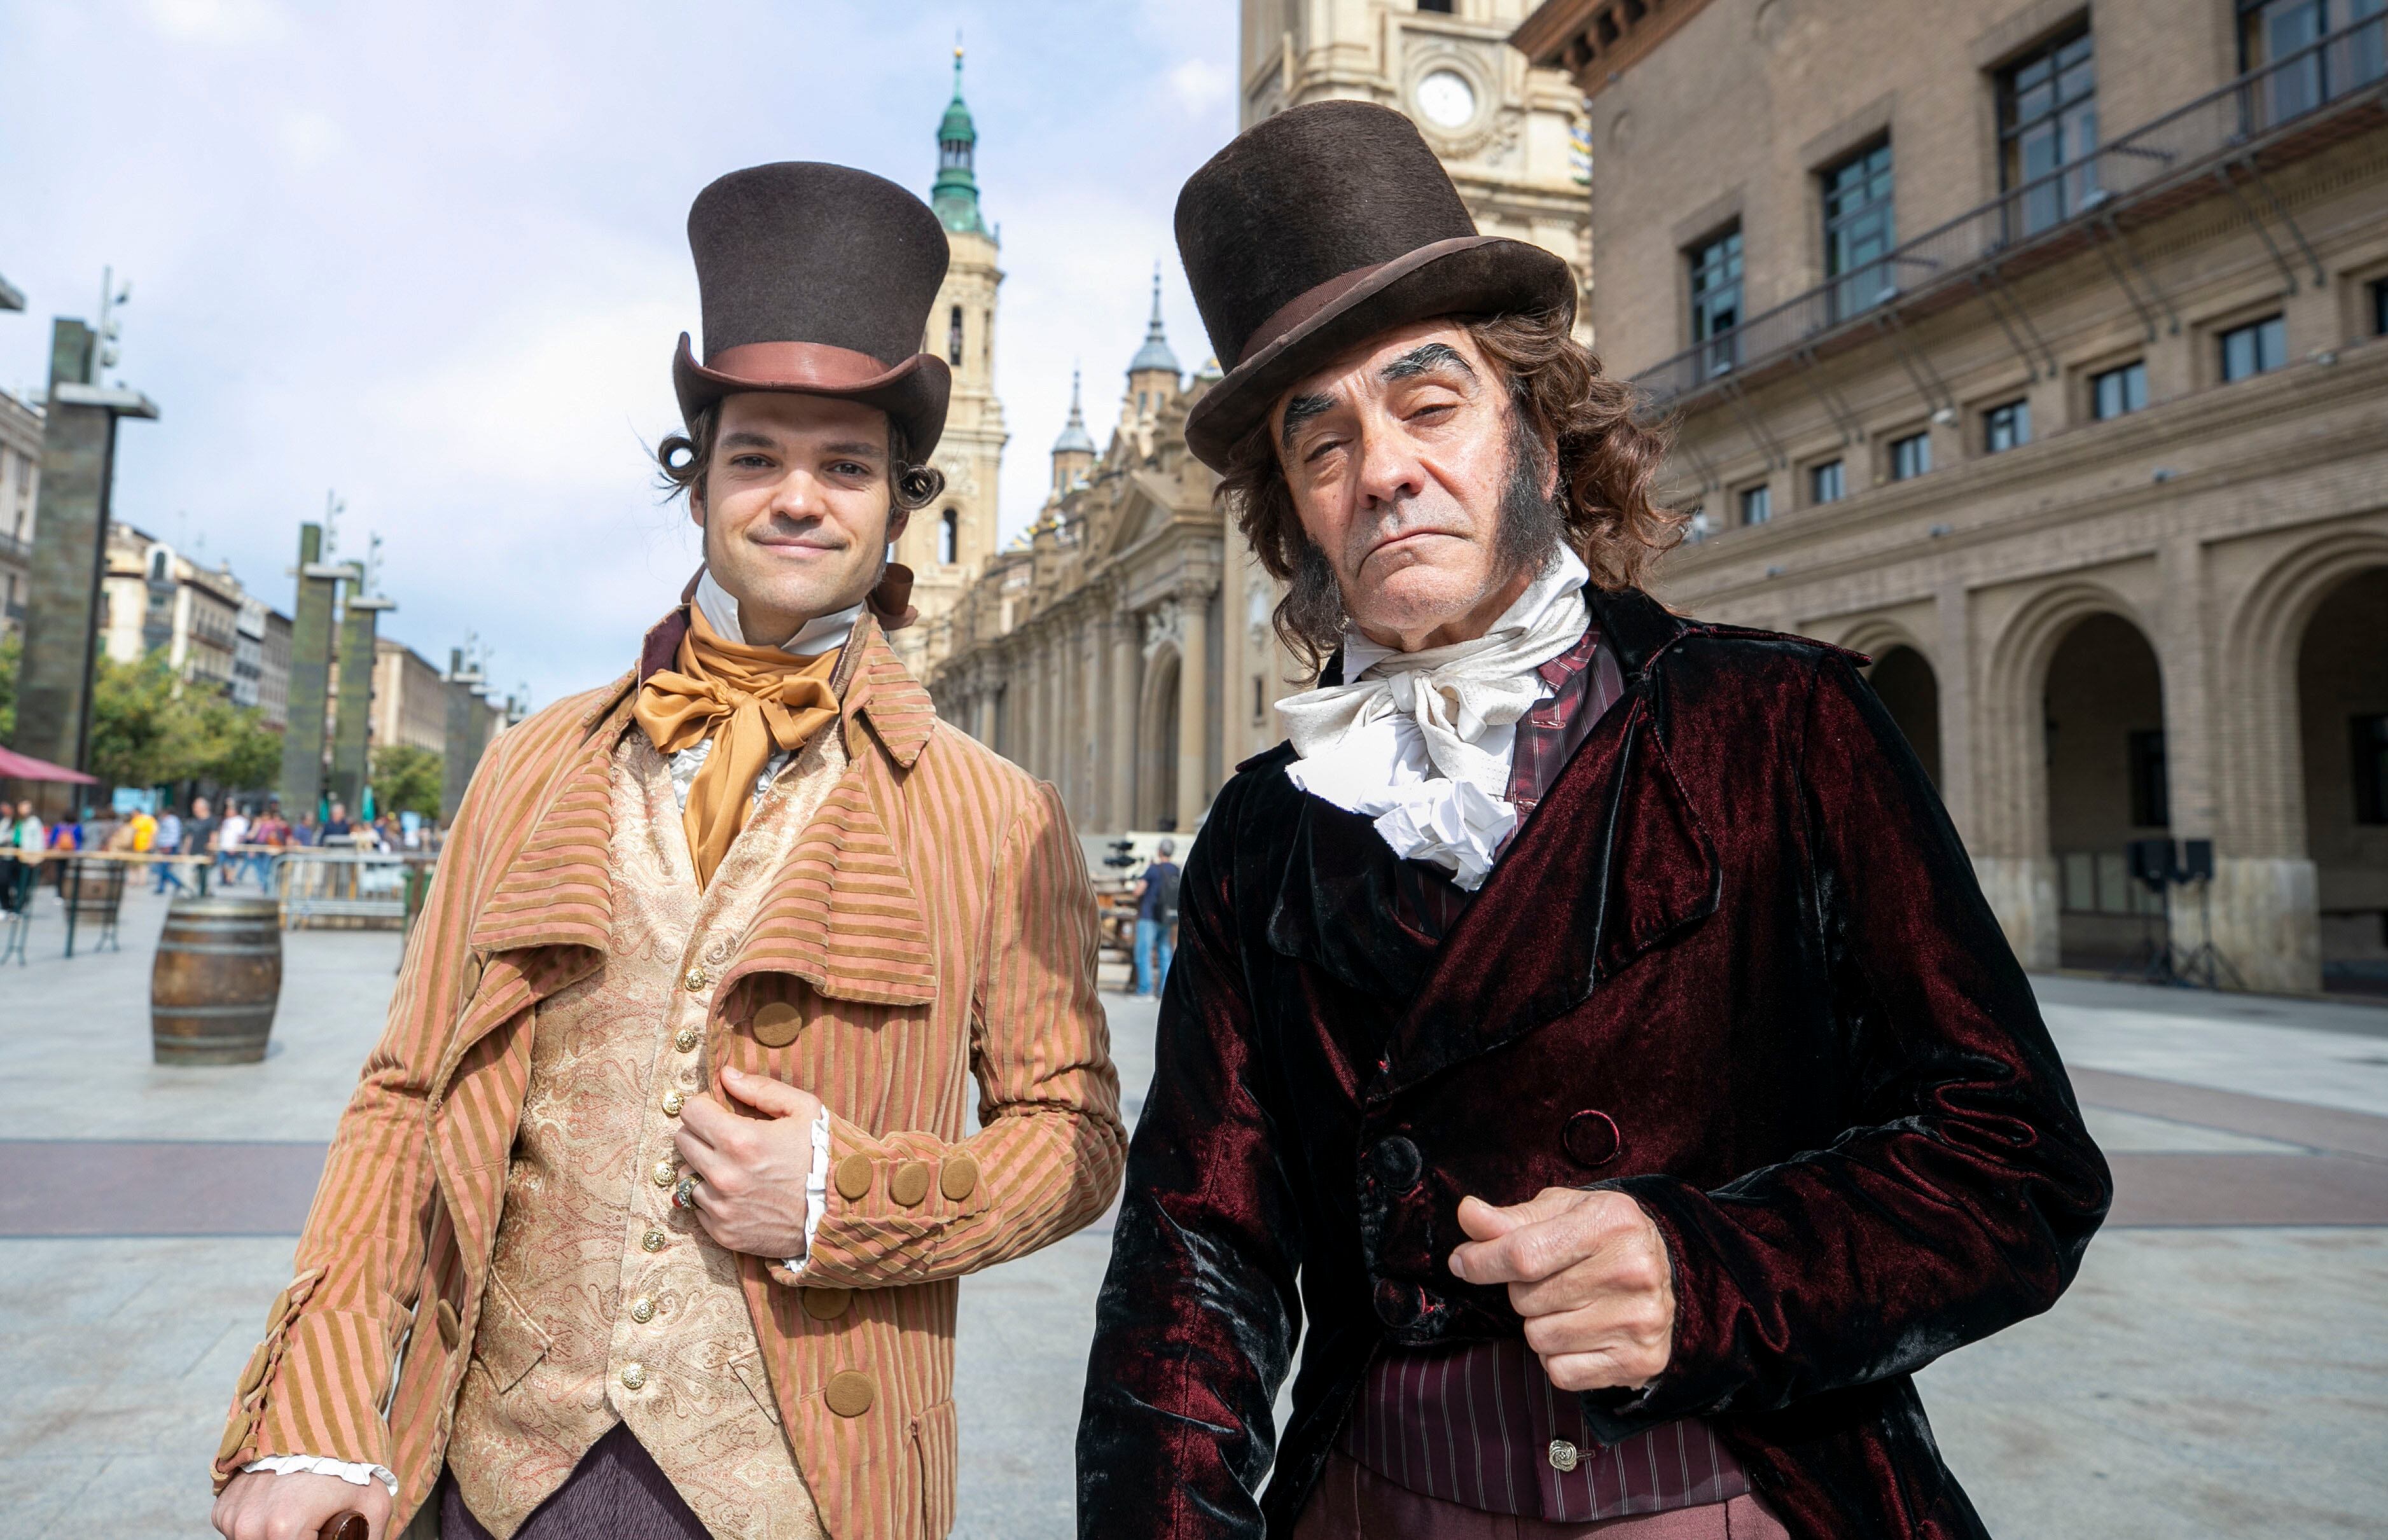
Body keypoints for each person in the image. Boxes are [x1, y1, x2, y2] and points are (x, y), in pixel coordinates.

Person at [1076, 104, 2111, 1540]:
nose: (1381, 470)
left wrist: (1711, 1270)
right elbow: (1196, 1261)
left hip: (1742, 1499)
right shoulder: (1267, 836)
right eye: (1325, 445)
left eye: (1427, 404)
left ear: (1542, 438)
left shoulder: (1778, 727)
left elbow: (2017, 1161)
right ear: (1296, 516)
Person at [212, 160, 1125, 1540]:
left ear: (897, 506)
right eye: (755, 455)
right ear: (696, 486)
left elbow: (1075, 1143)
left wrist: (848, 1197)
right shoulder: (533, 764)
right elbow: (405, 1095)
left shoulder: (996, 812)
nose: (798, 497)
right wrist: (318, 1416)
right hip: (495, 1476)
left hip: (810, 1490)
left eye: (846, 466)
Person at [1132, 838, 1180, 997]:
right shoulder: (1175, 870)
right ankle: (1164, 990)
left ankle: (1145, 989)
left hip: (1149, 916)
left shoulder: (1153, 869)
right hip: (1166, 917)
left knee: (1143, 953)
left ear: (1160, 851)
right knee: (1164, 952)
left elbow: (1138, 891)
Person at [152, 804, 186, 893]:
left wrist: (168, 846)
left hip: (168, 847)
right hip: (165, 846)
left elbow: (173, 835)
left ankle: (177, 883)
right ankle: (161, 887)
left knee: (163, 869)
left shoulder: (171, 821)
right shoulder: (168, 820)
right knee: (163, 868)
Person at [217, 803, 251, 888]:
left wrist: (236, 846)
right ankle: (224, 878)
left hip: (233, 847)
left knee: (232, 864)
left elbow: (241, 835)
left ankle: (230, 880)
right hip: (223, 846)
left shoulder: (239, 821)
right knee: (221, 863)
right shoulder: (226, 821)